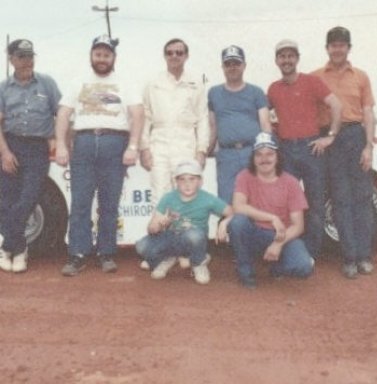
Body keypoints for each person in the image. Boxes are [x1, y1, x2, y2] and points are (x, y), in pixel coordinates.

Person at [55, 34, 144, 276]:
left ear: (113, 57)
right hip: (83, 142)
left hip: (114, 142)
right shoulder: (78, 81)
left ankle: (106, 253)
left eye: (106, 54)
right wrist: (62, 145)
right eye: (98, 54)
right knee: (81, 201)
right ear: (91, 56)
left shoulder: (126, 81)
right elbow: (64, 114)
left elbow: (137, 114)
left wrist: (133, 146)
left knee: (109, 202)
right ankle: (77, 253)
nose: (102, 59)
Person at [267, 39, 341, 259]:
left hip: (312, 147)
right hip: (287, 149)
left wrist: (331, 137)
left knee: (315, 203)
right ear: (277, 61)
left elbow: (336, 105)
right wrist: (272, 135)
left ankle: (311, 254)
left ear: (297, 58)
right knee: (287, 204)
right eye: (282, 56)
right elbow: (262, 114)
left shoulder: (312, 82)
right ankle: (291, 250)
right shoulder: (273, 88)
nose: (286, 60)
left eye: (291, 56)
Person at [312, 26, 376, 278]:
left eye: (342, 44)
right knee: (340, 200)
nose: (337, 49)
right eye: (333, 44)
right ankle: (349, 257)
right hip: (330, 138)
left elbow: (368, 112)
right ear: (327, 48)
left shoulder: (360, 76)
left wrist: (368, 146)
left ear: (349, 48)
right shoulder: (316, 76)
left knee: (362, 199)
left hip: (355, 135)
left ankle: (364, 256)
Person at [0, 39, 61, 273]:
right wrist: (5, 152)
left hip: (37, 148)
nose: (27, 61)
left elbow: (61, 114)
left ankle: (8, 247)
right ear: (12, 59)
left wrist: (60, 140)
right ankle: (19, 249)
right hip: (11, 145)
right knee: (6, 201)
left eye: (30, 56)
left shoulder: (47, 84)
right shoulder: (3, 87)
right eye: (22, 57)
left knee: (29, 198)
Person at [228, 132, 314, 288]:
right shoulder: (245, 176)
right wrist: (272, 218)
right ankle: (245, 271)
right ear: (253, 158)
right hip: (255, 233)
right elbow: (238, 206)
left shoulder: (291, 182)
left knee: (304, 267)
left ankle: (276, 267)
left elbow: (298, 226)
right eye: (259, 155)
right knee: (238, 222)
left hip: (281, 235)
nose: (264, 159)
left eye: (269, 154)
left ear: (278, 156)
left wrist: (278, 244)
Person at [135, 159, 232, 285]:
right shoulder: (168, 198)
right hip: (172, 238)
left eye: (192, 179)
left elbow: (232, 211)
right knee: (141, 246)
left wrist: (224, 222)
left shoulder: (208, 199)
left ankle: (198, 263)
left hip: (193, 240)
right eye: (182, 179)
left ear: (200, 182)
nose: (187, 184)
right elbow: (151, 229)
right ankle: (169, 259)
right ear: (176, 182)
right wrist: (160, 223)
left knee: (194, 236)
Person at [140, 38, 209, 206]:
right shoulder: (153, 84)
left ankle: (186, 233)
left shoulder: (196, 84)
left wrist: (201, 150)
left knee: (186, 194)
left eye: (179, 52)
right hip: (159, 146)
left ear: (186, 56)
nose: (174, 56)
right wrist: (144, 148)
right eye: (169, 53)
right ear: (164, 56)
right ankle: (161, 232)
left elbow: (202, 118)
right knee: (160, 196)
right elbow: (145, 117)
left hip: (186, 145)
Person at [208, 45, 272, 204]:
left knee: (258, 199)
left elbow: (265, 123)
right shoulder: (214, 92)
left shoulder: (256, 92)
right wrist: (206, 151)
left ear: (244, 65)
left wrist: (267, 151)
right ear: (222, 67)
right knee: (227, 201)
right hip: (226, 155)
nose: (232, 67)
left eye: (236, 63)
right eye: (228, 64)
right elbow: (213, 126)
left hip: (252, 152)